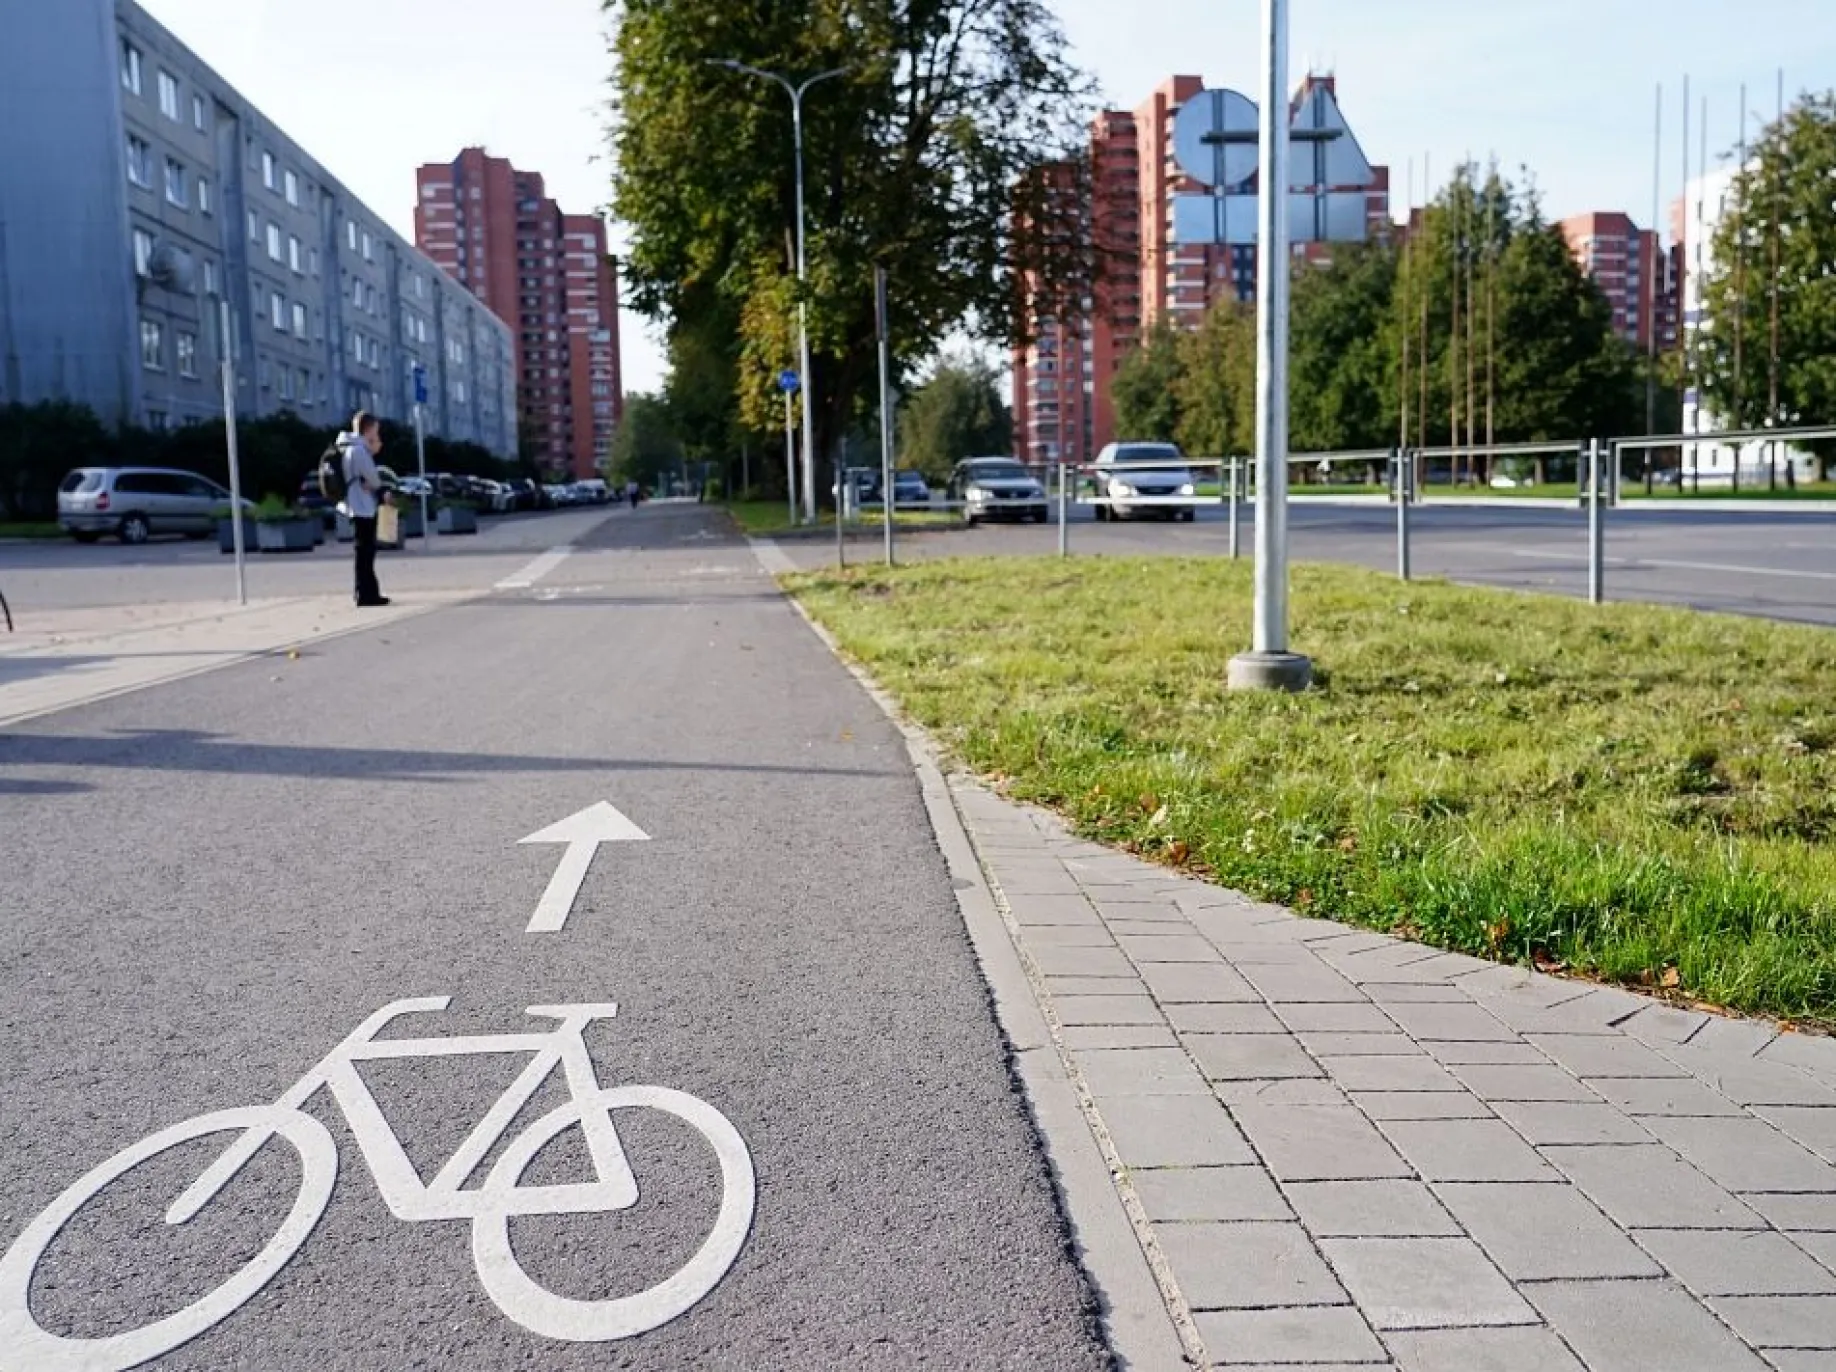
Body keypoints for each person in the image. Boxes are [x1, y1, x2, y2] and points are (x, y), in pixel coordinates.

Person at [337, 411, 392, 607]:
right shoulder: (359, 450)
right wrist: (378, 485)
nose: (377, 434)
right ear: (368, 429)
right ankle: (366, 594)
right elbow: (373, 478)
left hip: (355, 503)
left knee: (363, 552)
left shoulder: (348, 448)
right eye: (375, 430)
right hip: (363, 506)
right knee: (366, 552)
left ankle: (365, 592)